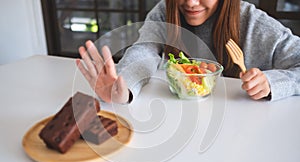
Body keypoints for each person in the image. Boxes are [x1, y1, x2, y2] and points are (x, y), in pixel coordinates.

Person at [76, 0, 300, 103]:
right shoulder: (164, 11)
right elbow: (144, 51)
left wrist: (271, 82)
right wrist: (123, 89)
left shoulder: (254, 23)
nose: (191, 3)